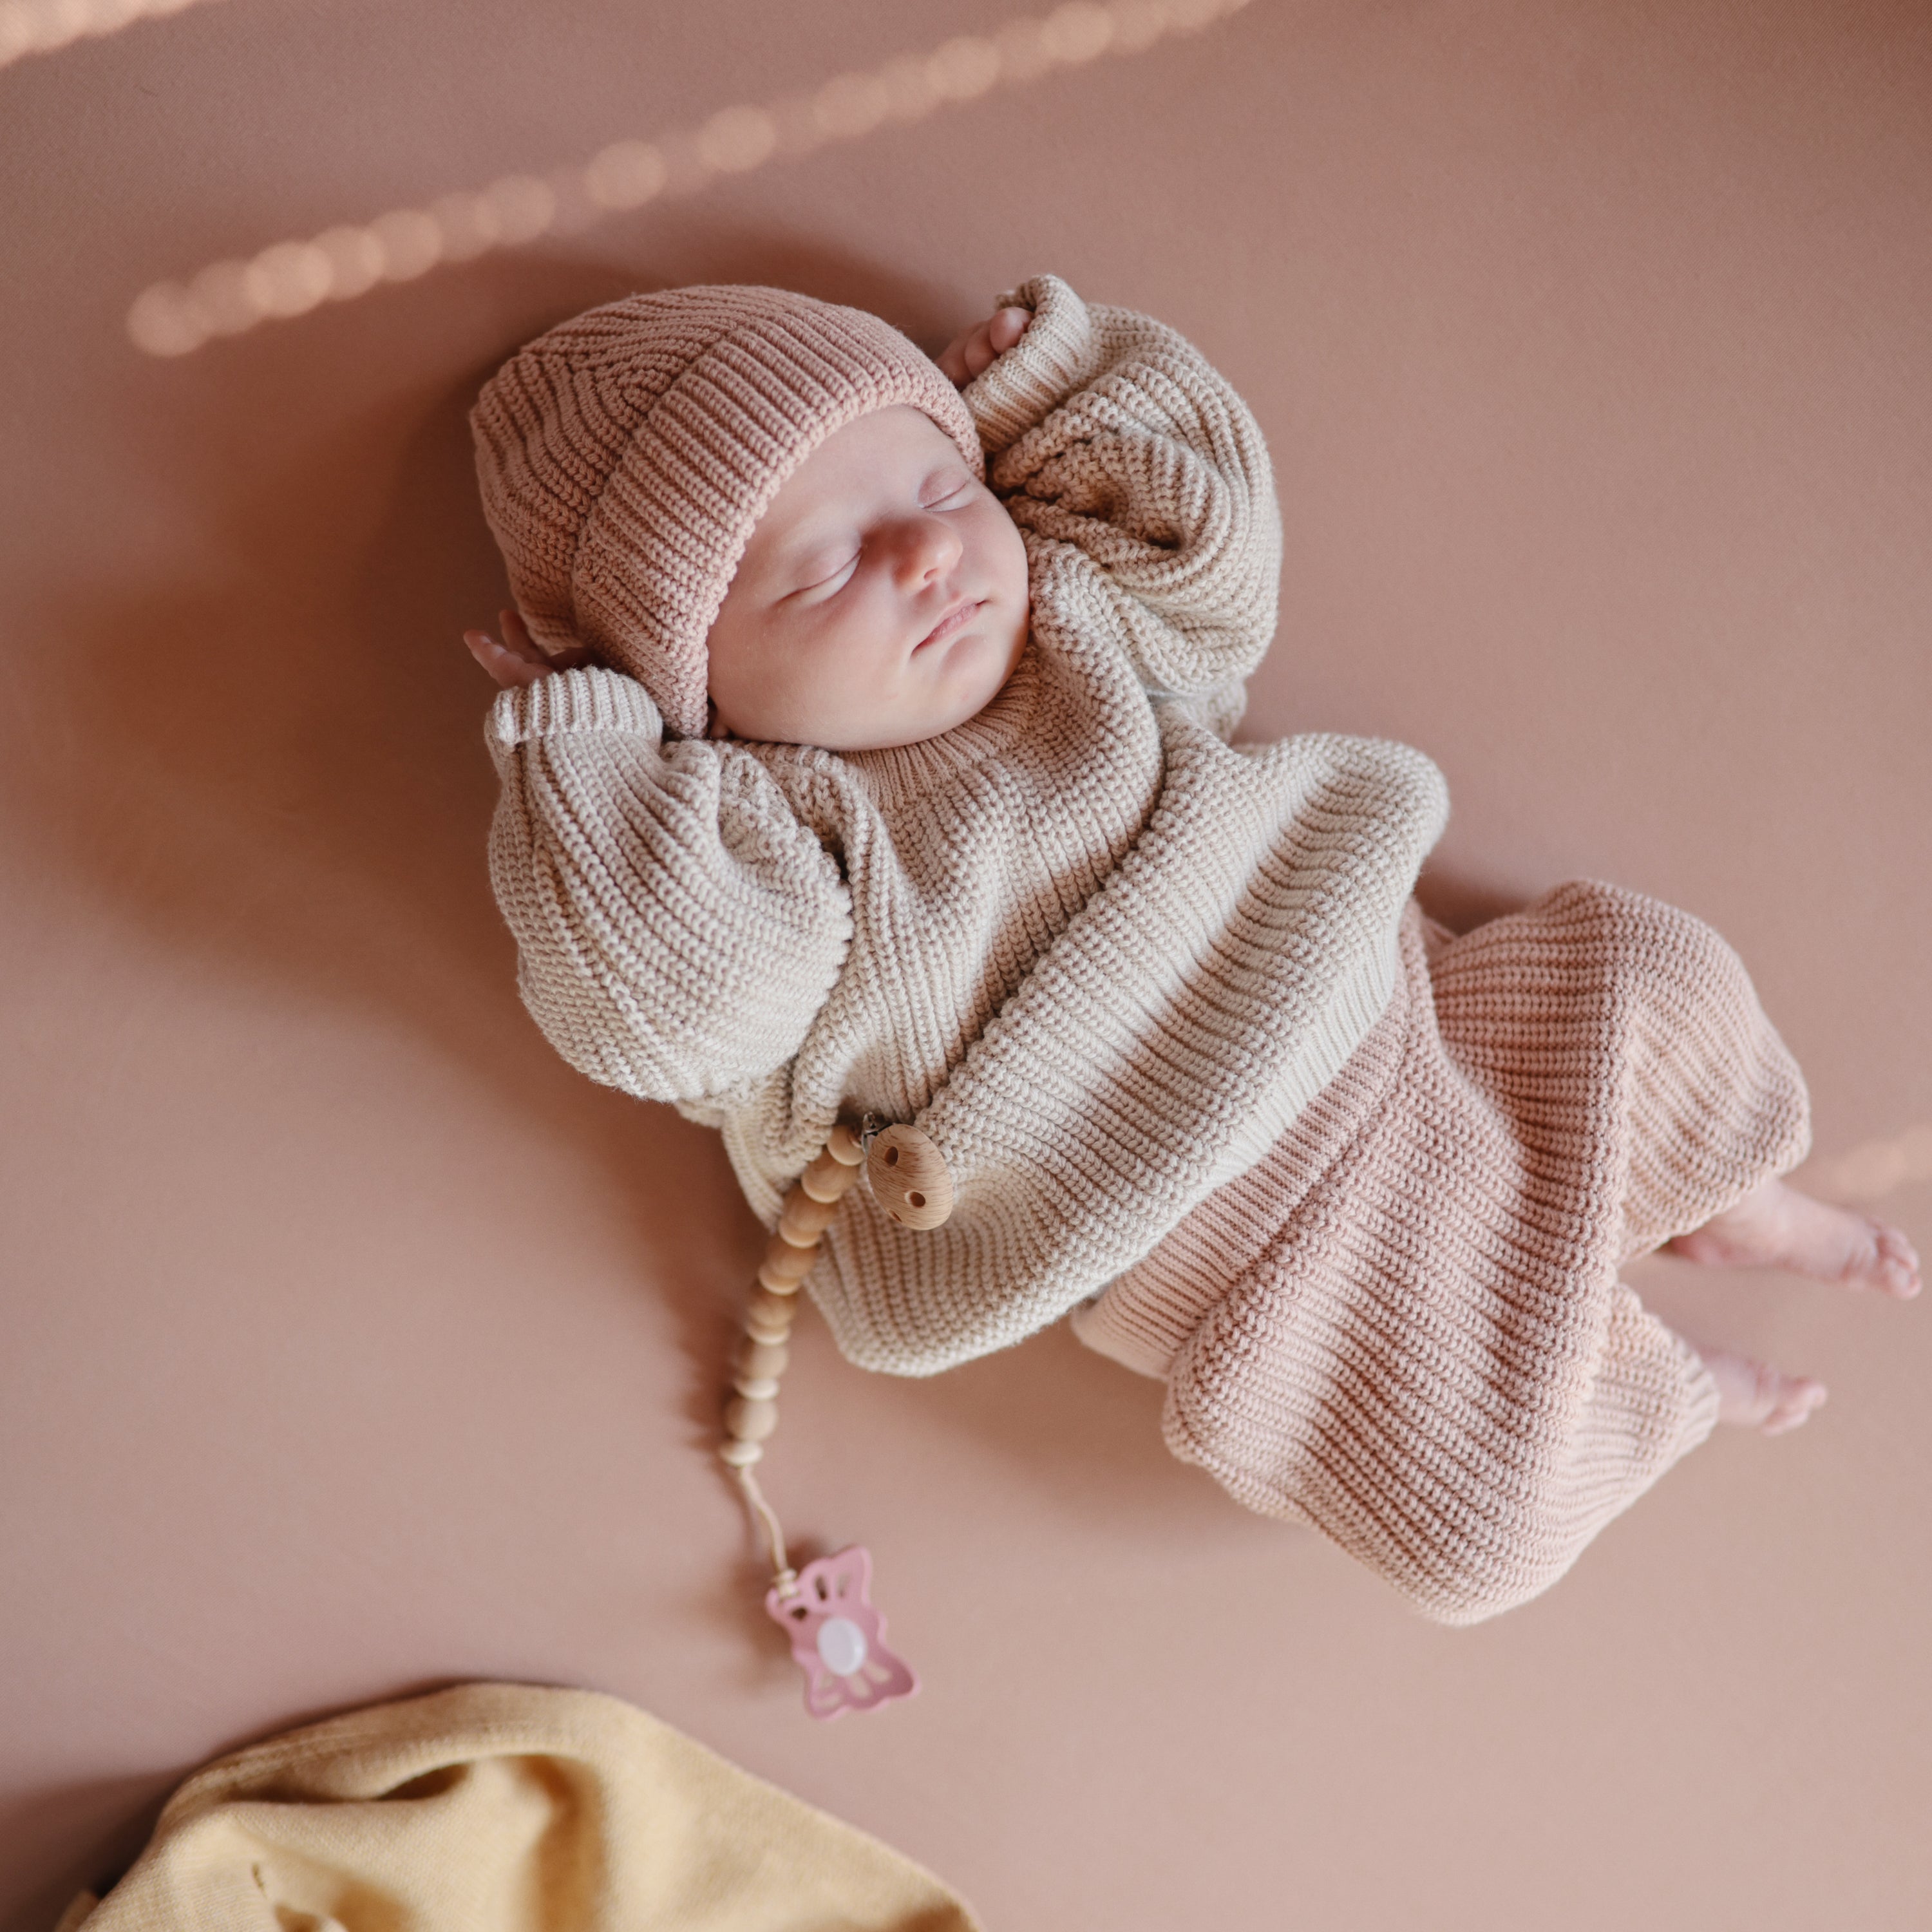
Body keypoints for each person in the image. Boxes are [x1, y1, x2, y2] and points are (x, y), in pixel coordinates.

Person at [464, 276, 1918, 1623]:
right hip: (1243, 1264)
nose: (926, 552)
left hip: (1409, 1024)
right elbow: (665, 1007)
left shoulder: (1079, 629)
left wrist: (1054, 390)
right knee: (1476, 1525)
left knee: (1647, 976)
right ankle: (1666, 1386)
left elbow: (1213, 551)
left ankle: (1740, 1199)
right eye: (831, 563)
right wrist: (592, 762)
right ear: (688, 692)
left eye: (939, 482)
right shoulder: (774, 848)